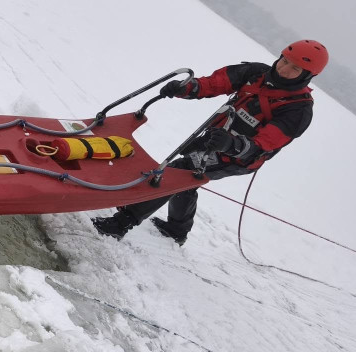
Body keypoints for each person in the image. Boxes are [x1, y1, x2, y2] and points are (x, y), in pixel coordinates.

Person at [91, 39, 328, 245]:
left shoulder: (299, 110)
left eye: (294, 68)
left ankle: (120, 224)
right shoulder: (255, 73)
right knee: (186, 177)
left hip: (240, 157)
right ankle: (177, 230)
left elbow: (265, 143)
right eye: (284, 60)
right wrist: (186, 88)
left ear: (308, 75)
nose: (284, 69)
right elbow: (215, 83)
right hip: (213, 138)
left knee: (178, 172)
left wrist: (232, 145)